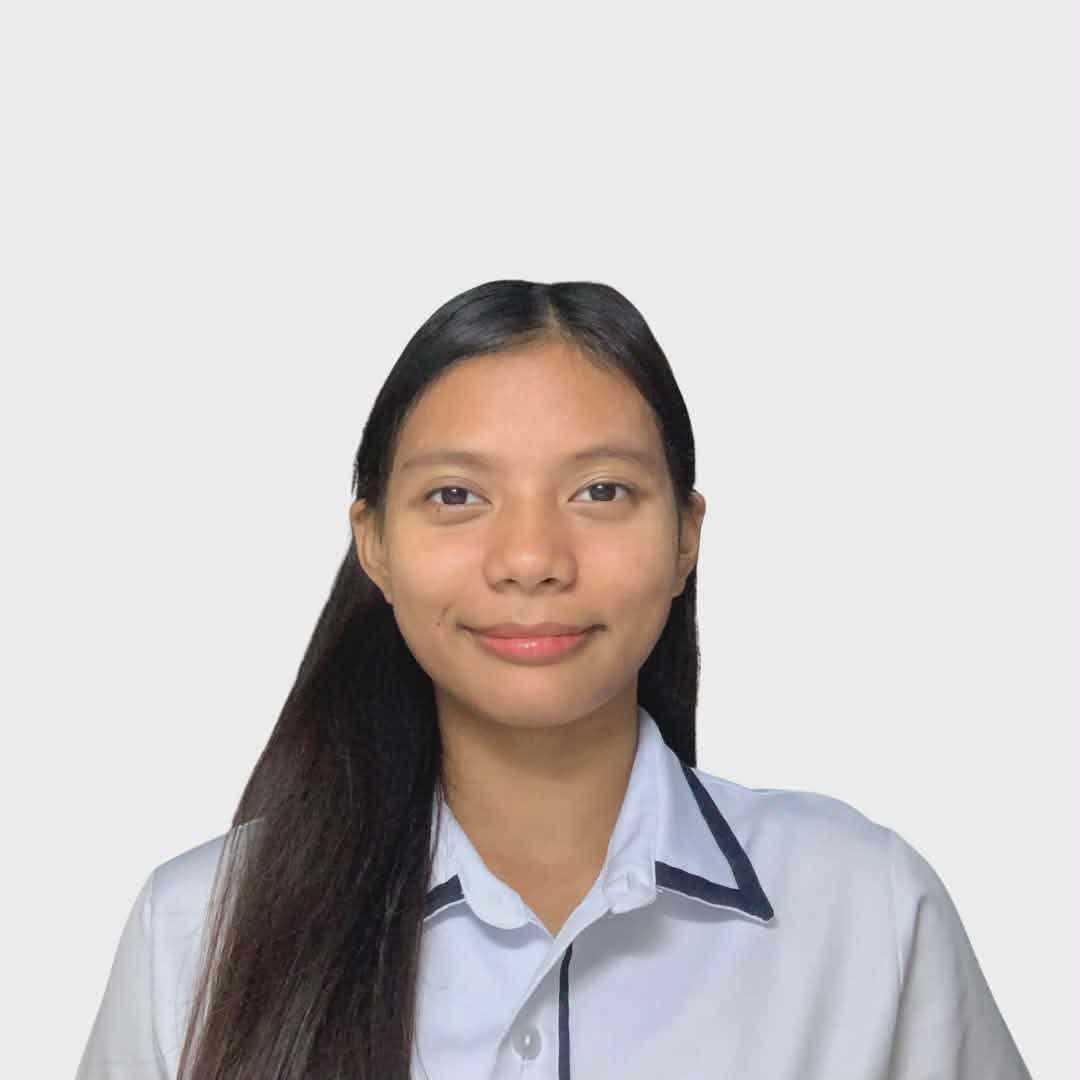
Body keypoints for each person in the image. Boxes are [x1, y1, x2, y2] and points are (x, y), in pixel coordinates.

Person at [75, 279, 1032, 1079]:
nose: (531, 558)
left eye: (601, 492)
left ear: (686, 534)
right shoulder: (197, 929)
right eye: (457, 496)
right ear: (373, 544)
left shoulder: (864, 906)